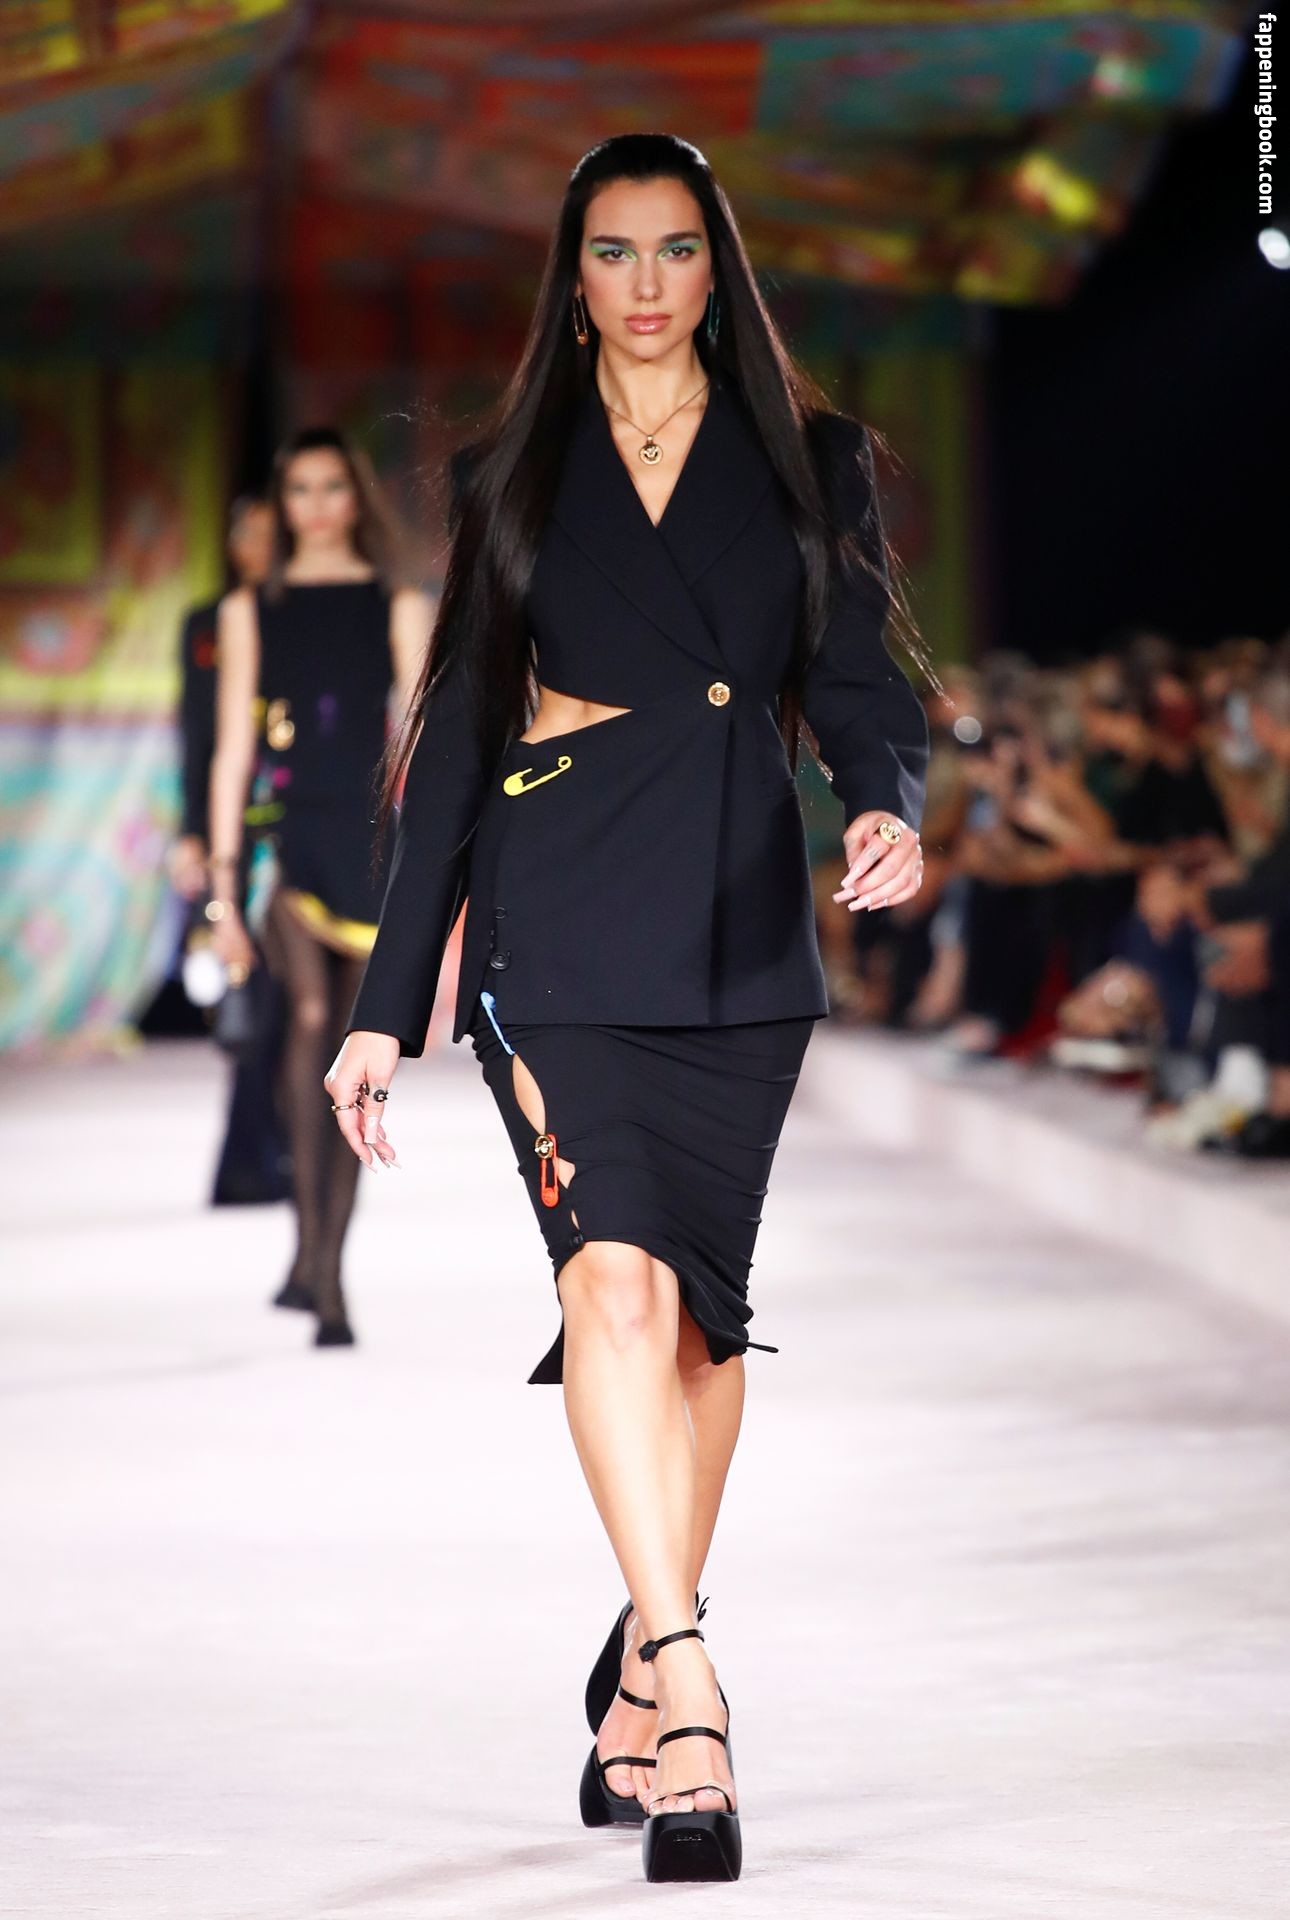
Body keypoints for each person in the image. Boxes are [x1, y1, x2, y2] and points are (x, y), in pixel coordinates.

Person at [328, 134, 932, 1883]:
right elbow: (454, 738)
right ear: (573, 277)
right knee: (612, 1282)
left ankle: (631, 1676)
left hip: (737, 914)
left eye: (676, 250)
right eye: (614, 251)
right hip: (562, 908)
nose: (647, 283)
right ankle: (689, 1690)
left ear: (713, 270)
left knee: (698, 1335)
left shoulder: (808, 457)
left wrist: (885, 803)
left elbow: (857, 672)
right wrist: (386, 1001)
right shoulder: (513, 468)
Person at [207, 427, 430, 1344]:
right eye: (299, 489)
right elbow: (233, 749)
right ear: (282, 501)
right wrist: (223, 886)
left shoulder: (396, 602)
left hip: (371, 845)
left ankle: (325, 1260)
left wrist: (444, 863)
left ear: (356, 495)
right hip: (291, 840)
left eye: (332, 486)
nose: (316, 506)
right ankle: (317, 1263)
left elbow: (425, 738)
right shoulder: (251, 609)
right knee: (305, 1021)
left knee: (352, 1052)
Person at [167, 495, 290, 1206]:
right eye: (250, 533)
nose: (262, 546)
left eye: (274, 535)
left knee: (299, 1000)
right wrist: (192, 831)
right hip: (233, 829)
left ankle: (270, 1149)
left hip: (301, 823)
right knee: (252, 992)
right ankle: (248, 1157)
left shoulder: (305, 614)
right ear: (233, 543)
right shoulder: (208, 624)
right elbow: (197, 734)